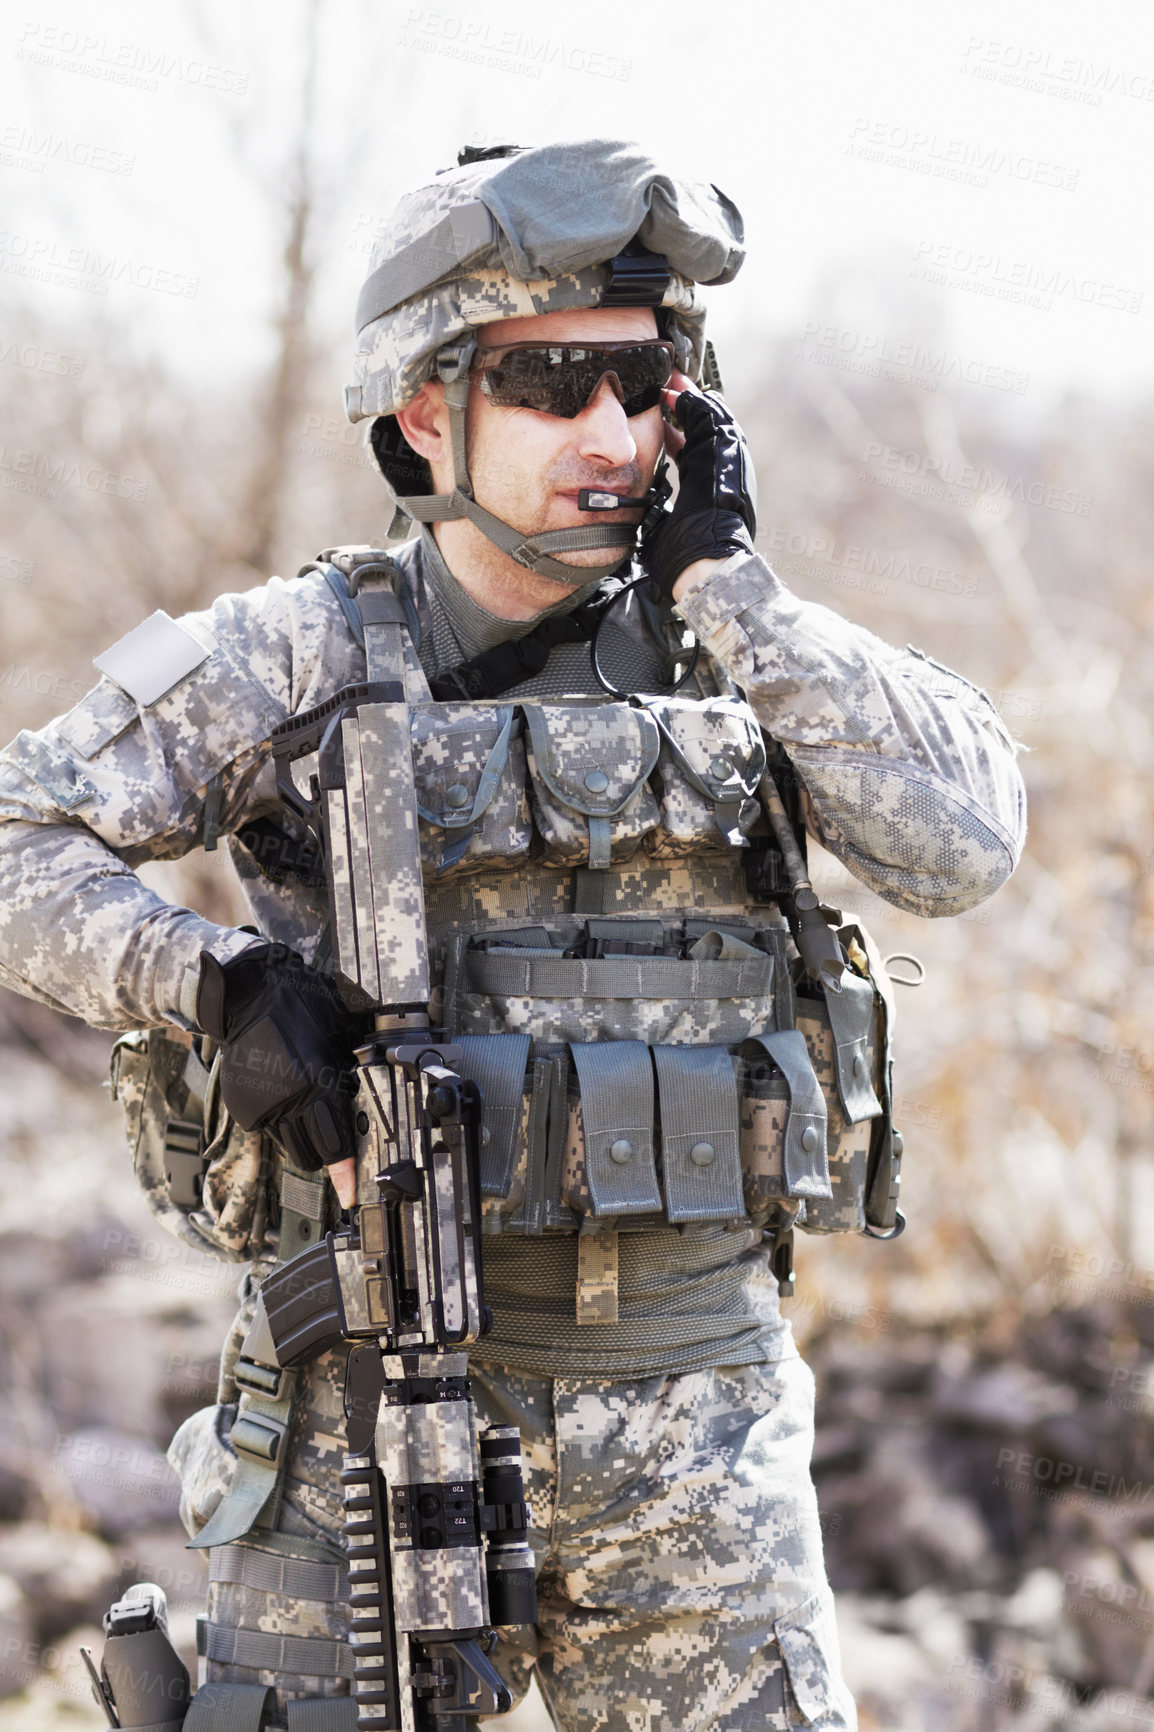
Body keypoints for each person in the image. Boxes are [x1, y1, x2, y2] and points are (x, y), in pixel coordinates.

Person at [0, 141, 1025, 1731]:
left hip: (699, 1431)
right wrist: (215, 982)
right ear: (425, 412)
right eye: (552, 383)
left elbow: (963, 845)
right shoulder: (299, 650)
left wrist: (734, 593)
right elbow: (16, 836)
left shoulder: (744, 652)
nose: (613, 433)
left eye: (650, 382)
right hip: (369, 1401)